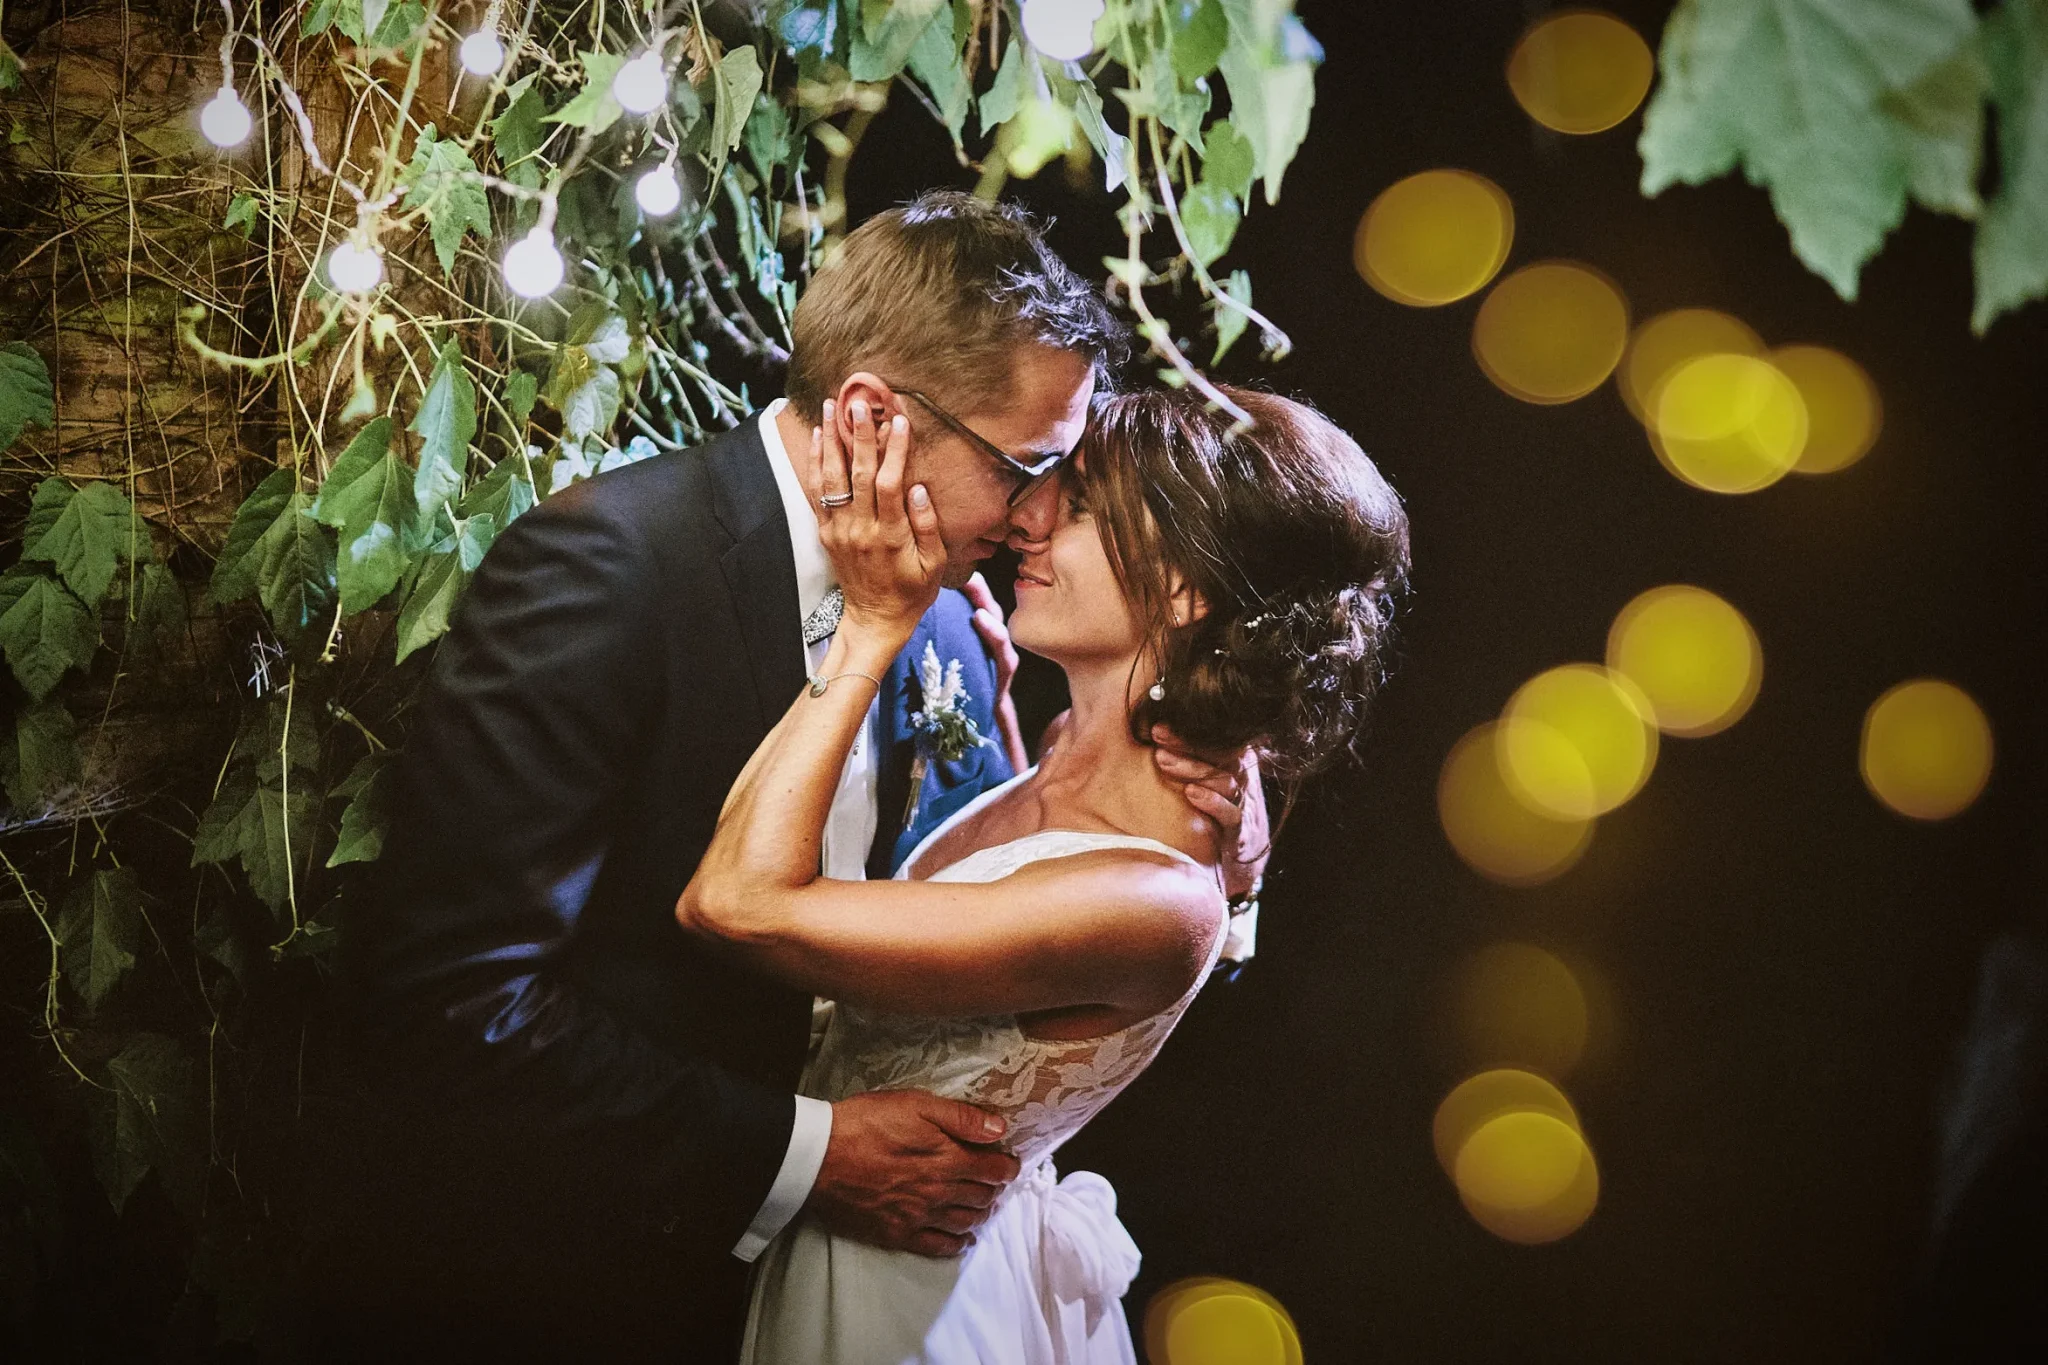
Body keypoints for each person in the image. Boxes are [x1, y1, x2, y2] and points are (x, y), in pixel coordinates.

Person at [319, 192, 1265, 1361]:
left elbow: (1025, 908)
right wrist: (804, 1156)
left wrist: (1227, 838)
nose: (1037, 515)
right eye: (1026, 466)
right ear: (872, 416)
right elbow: (445, 1002)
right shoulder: (613, 571)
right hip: (577, 1285)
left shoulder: (953, 615)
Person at [680, 382, 1410, 1362]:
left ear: (1187, 589)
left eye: (1081, 508)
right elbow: (1013, 863)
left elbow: (736, 905)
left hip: (903, 1296)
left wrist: (870, 625)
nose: (1025, 516)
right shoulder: (1072, 745)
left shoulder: (1149, 902)